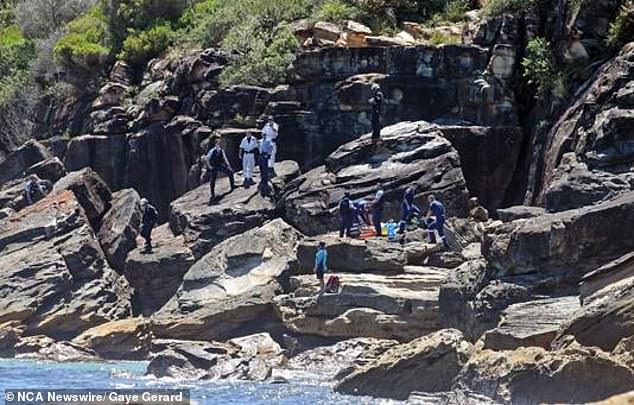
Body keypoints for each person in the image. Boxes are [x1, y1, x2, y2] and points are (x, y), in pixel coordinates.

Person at [206, 138, 235, 202]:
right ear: (215, 144)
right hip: (214, 166)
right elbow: (207, 158)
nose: (219, 144)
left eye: (220, 143)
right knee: (212, 180)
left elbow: (225, 158)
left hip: (219, 165)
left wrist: (228, 165)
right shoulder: (212, 150)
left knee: (230, 172)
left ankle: (232, 186)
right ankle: (212, 194)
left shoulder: (221, 150)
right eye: (218, 143)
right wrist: (209, 166)